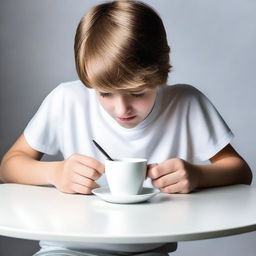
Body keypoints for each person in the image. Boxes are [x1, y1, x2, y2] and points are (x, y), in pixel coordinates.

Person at [0, 0, 252, 255]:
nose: (122, 110)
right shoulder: (66, 100)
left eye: (136, 93)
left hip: (148, 251)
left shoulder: (186, 104)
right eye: (105, 93)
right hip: (67, 248)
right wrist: (56, 173)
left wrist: (198, 175)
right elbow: (9, 165)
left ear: (161, 72)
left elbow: (241, 172)